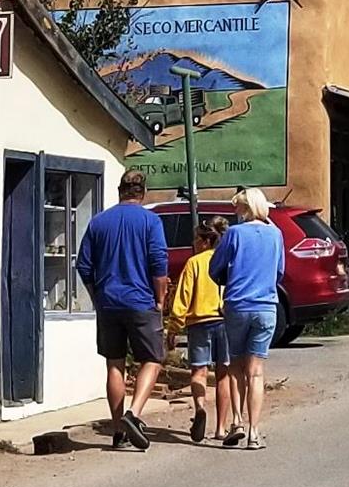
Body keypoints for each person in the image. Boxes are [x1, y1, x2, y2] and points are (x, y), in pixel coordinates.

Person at [73, 169, 170, 449]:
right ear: (143, 192)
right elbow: (158, 265)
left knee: (114, 364)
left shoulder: (98, 222)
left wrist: (96, 295)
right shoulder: (151, 222)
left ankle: (118, 430)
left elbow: (84, 266)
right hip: (141, 301)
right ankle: (134, 414)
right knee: (152, 359)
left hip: (108, 303)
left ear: (119, 190)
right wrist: (160, 300)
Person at [208, 187, 287, 448]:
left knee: (235, 367)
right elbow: (279, 271)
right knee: (256, 372)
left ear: (246, 208)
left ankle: (237, 421)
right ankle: (254, 432)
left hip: (238, 305)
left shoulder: (234, 234)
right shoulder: (276, 234)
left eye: (238, 208)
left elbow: (215, 267)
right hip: (266, 306)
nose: (236, 213)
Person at [167, 212, 232, 444]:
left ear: (205, 241)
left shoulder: (194, 263)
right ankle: (221, 428)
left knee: (199, 372)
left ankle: (200, 408)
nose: (193, 243)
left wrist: (174, 326)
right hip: (224, 321)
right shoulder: (228, 261)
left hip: (198, 324)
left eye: (196, 239)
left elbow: (182, 297)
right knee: (223, 375)